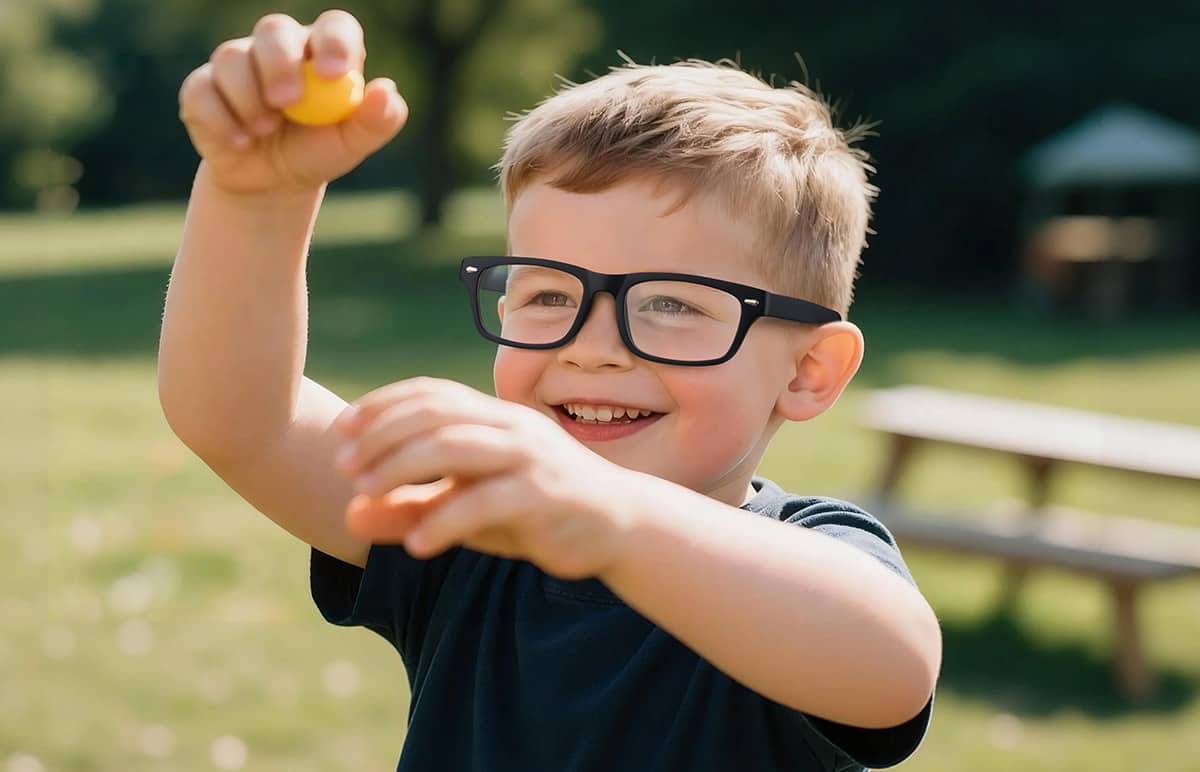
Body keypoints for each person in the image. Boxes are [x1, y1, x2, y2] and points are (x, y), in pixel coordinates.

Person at [158, 9, 941, 771]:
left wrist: (602, 510)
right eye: (548, 296)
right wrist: (255, 200)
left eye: (670, 303)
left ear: (809, 372)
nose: (589, 348)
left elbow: (892, 666)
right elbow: (241, 421)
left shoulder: (809, 557)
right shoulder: (469, 526)